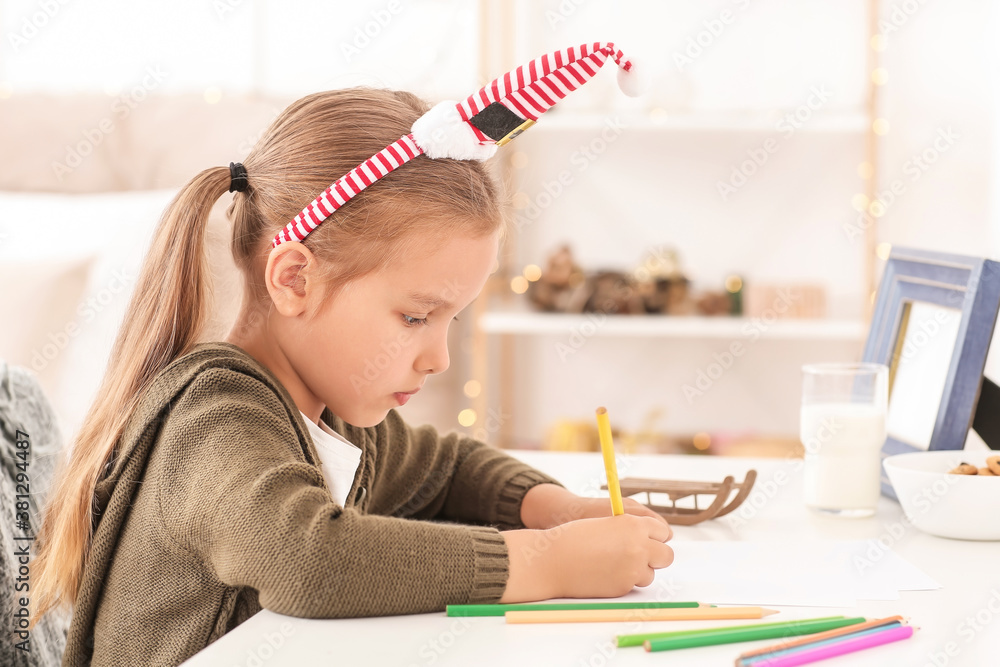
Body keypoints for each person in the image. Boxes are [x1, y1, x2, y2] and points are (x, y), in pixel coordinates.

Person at [31, 43, 674, 666]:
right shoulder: (214, 419)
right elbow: (310, 560)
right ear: (294, 280)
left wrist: (557, 508)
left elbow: (447, 469)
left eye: (450, 319)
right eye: (416, 317)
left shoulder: (329, 412)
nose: (438, 359)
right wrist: (550, 562)